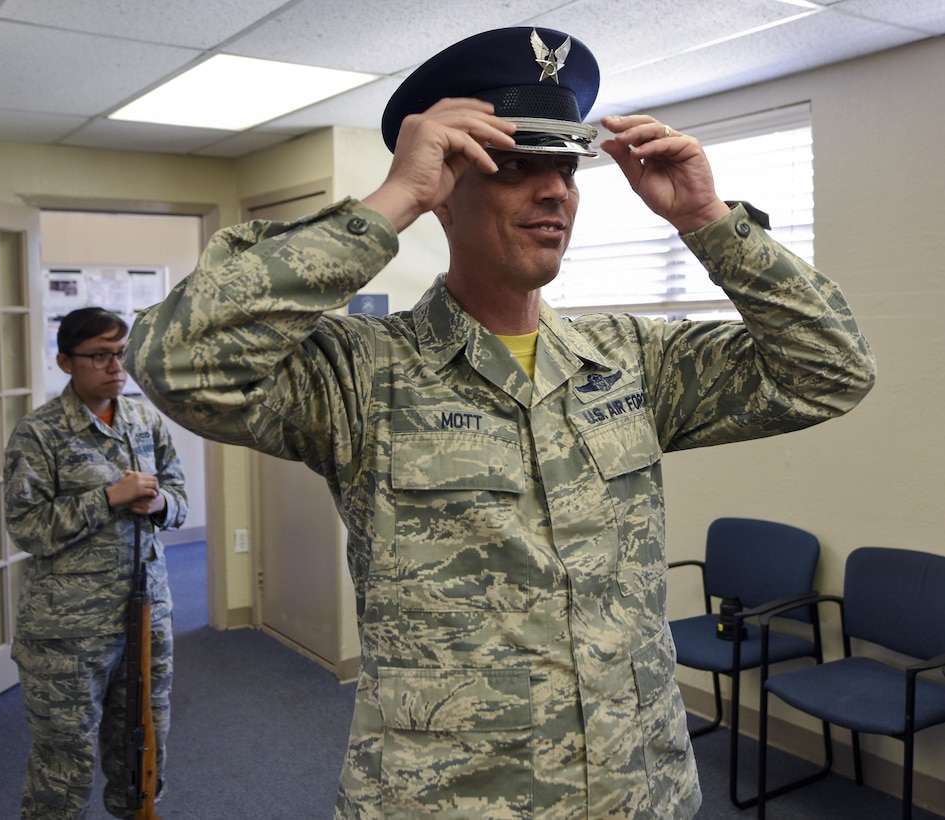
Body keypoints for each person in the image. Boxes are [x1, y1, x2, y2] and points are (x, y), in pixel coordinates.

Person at [124, 26, 874, 819]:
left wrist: (708, 221)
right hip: (453, 800)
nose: (554, 192)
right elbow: (179, 360)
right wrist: (389, 203)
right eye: (517, 168)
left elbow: (830, 372)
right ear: (443, 189)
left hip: (637, 786)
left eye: (565, 169)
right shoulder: (359, 373)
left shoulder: (634, 360)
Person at [4, 306, 188, 819]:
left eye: (121, 353)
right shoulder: (38, 434)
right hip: (67, 632)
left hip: (145, 617)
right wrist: (107, 497)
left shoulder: (144, 419)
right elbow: (27, 527)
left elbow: (178, 495)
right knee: (65, 761)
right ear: (66, 362)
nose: (116, 367)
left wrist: (160, 504)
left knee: (142, 752)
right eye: (100, 356)